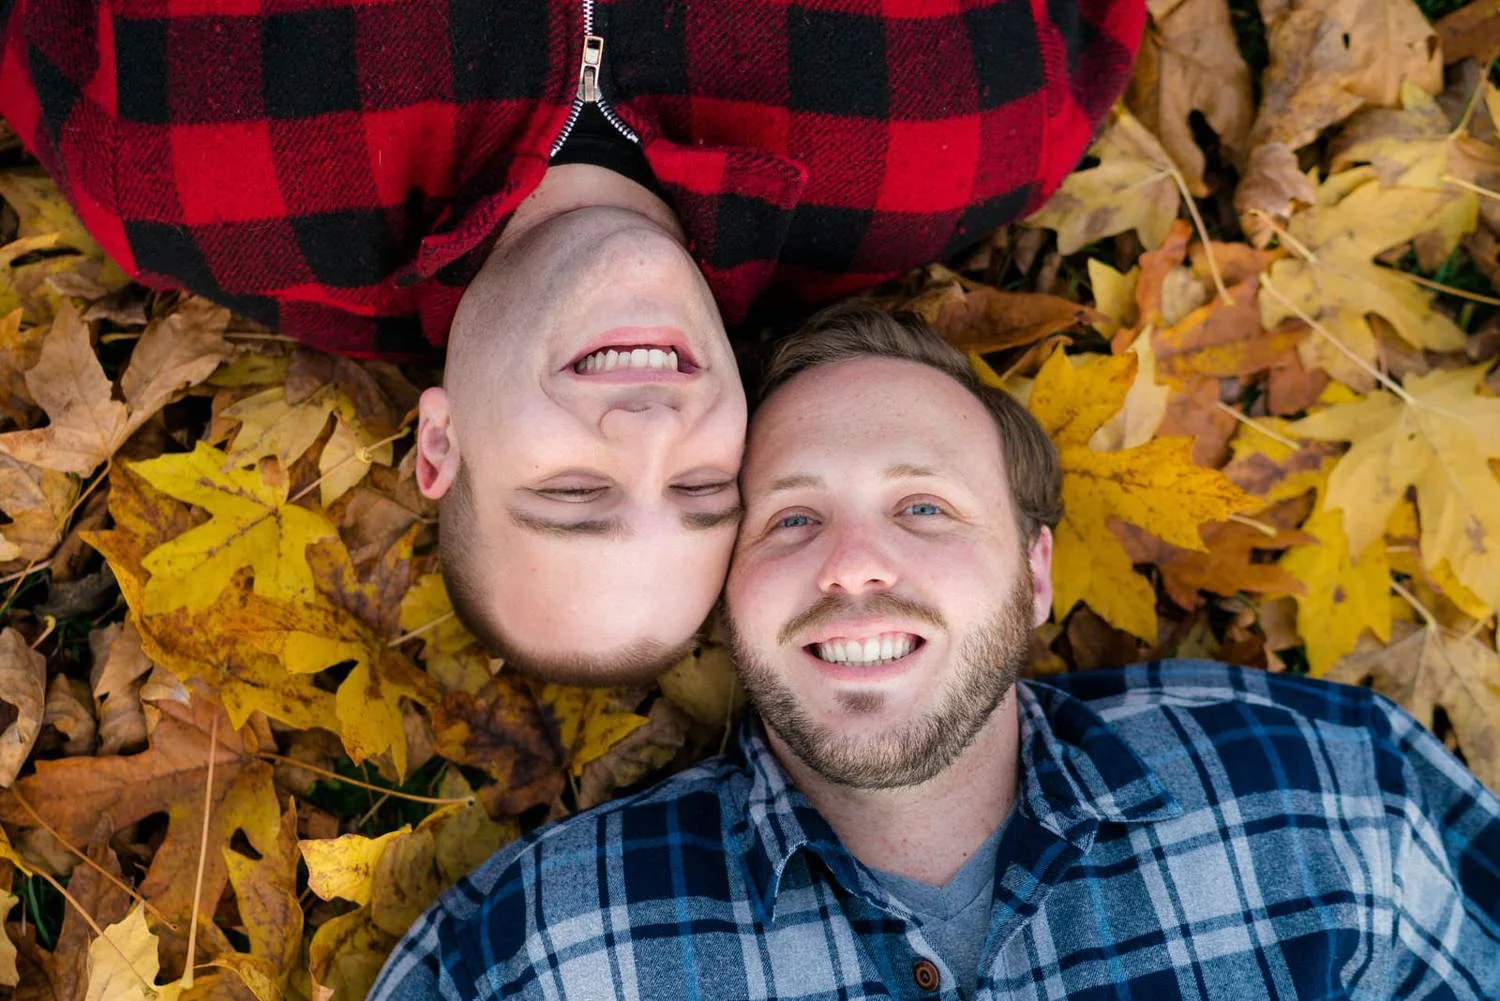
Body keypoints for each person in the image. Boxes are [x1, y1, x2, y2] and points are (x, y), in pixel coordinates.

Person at [367, 304, 1500, 1000]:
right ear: (725, 592)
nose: (854, 565)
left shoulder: (1322, 795)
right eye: (793, 519)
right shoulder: (544, 951)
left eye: (924, 509)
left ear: (1037, 570)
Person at [0, 0, 1145, 681]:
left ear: (437, 448)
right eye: (705, 480)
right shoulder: (963, 140)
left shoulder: (187, 173)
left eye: (575, 492)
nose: (649, 431)